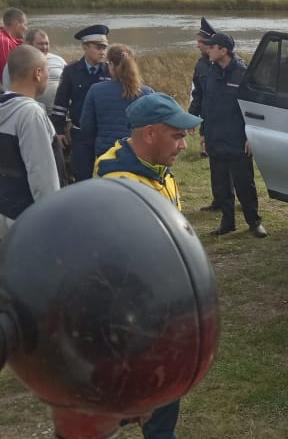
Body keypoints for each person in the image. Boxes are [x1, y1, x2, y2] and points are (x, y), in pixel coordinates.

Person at [94, 92, 202, 438]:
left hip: (167, 301)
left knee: (165, 393)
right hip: (140, 313)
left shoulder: (158, 170)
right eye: (177, 135)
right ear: (150, 133)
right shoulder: (120, 183)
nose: (184, 145)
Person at [201, 31, 267, 238]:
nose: (207, 50)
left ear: (224, 50)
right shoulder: (210, 72)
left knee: (244, 184)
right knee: (221, 186)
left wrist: (251, 136)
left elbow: (255, 106)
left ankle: (254, 222)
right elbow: (206, 104)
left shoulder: (242, 73)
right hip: (215, 137)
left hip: (238, 139)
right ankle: (227, 223)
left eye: (211, 47)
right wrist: (203, 133)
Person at [0, 45, 60, 239]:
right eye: (47, 71)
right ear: (38, 73)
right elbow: (42, 179)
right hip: (26, 222)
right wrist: (53, 224)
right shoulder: (30, 114)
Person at [51, 24, 110, 182]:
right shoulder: (71, 71)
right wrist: (59, 130)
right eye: (98, 47)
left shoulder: (110, 71)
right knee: (82, 175)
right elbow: (60, 103)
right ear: (85, 46)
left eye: (104, 47)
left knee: (107, 176)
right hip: (80, 134)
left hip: (104, 134)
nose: (102, 51)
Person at [81, 44, 153, 160]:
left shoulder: (96, 90)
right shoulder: (147, 93)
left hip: (107, 154)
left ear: (111, 65)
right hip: (138, 154)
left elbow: (87, 127)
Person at [189, 17, 221, 211]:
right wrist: (192, 119)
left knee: (236, 165)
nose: (197, 44)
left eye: (200, 41)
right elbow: (198, 95)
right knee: (215, 163)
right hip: (209, 121)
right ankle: (219, 200)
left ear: (209, 43)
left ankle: (245, 201)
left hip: (229, 123)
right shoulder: (200, 65)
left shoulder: (228, 63)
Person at [22, 29, 66, 115]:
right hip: (34, 114)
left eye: (47, 43)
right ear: (29, 44)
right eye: (41, 44)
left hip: (59, 114)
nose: (45, 47)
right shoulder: (18, 62)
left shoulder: (58, 60)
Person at [0, 7, 26, 84]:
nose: (26, 28)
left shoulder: (12, 40)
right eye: (25, 24)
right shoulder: (4, 42)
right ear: (16, 24)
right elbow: (5, 74)